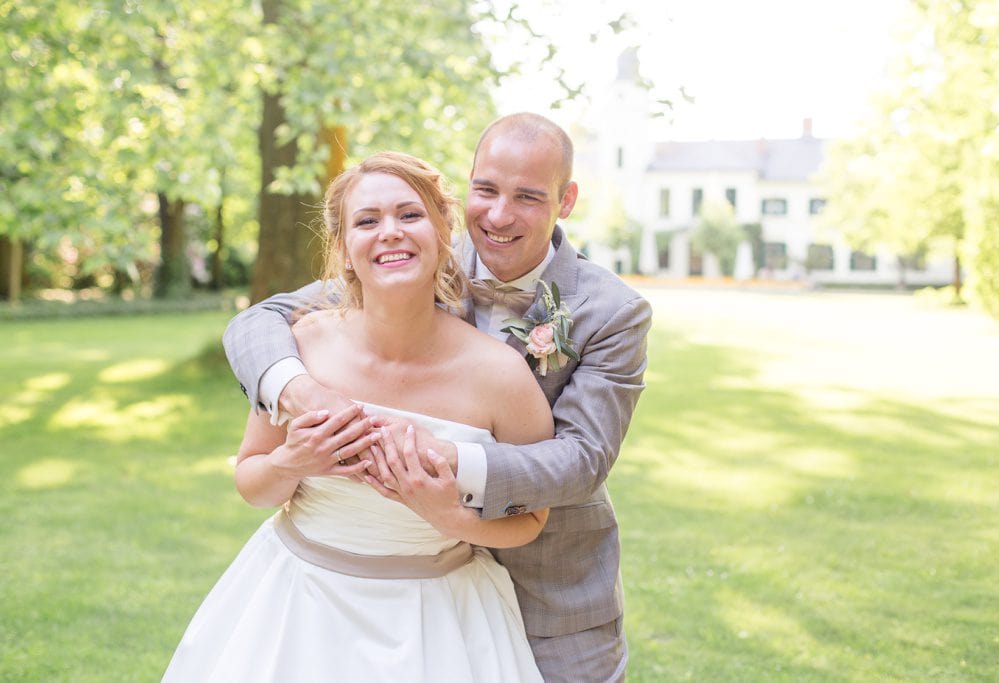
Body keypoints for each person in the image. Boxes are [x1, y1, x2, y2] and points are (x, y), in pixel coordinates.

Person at [223, 113, 653, 682]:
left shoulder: (613, 312)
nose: (499, 215)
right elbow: (261, 319)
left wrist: (438, 459)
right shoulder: (416, 257)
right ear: (468, 184)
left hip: (551, 583)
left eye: (527, 197)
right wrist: (302, 393)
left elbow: (582, 461)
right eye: (486, 190)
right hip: (389, 585)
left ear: (565, 199)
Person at [164, 152, 553, 682]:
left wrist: (449, 517)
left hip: (442, 622)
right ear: (344, 250)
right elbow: (252, 483)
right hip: (296, 607)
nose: (389, 233)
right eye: (367, 221)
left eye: (409, 215)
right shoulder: (300, 347)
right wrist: (291, 462)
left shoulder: (501, 375)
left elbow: (532, 519)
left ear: (444, 233)